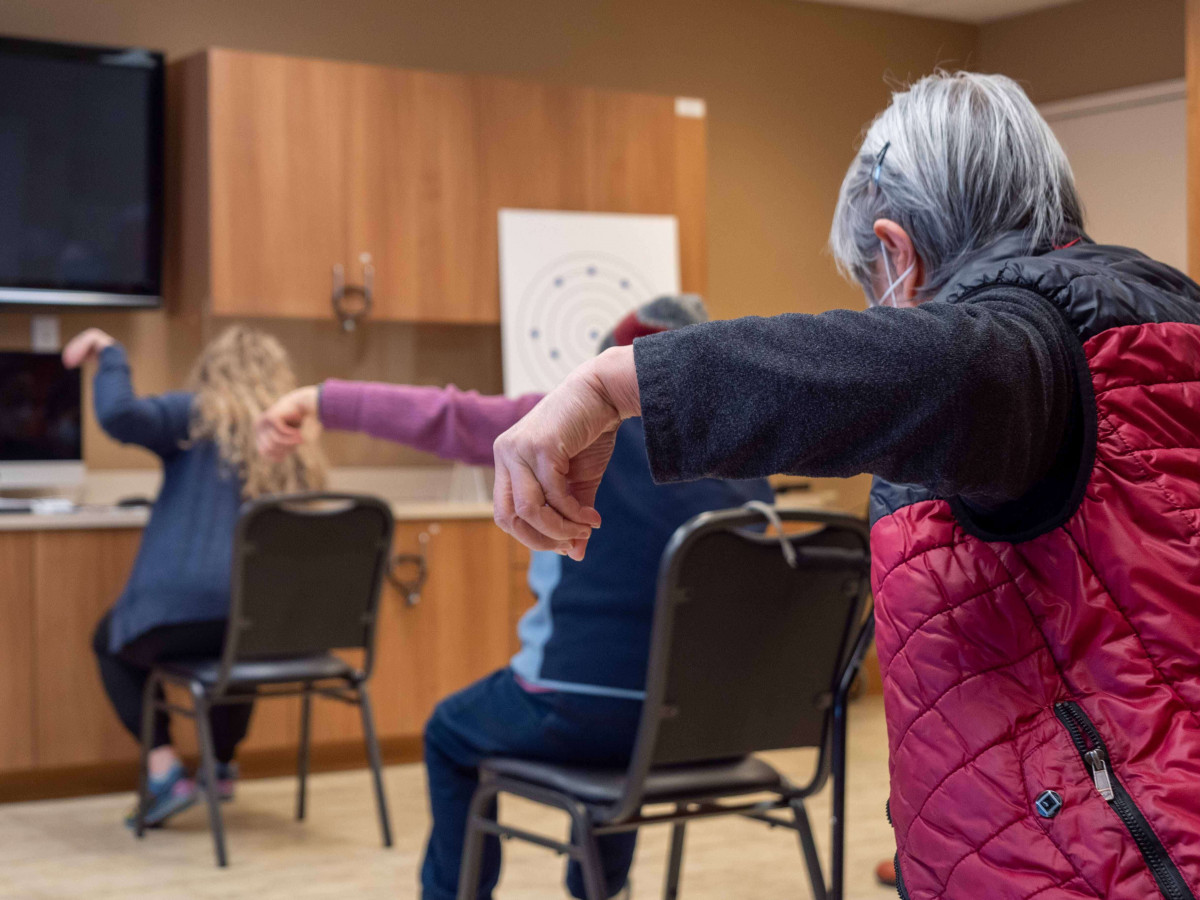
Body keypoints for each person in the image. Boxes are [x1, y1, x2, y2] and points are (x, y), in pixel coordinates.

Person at [489, 71, 1200, 900]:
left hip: (1110, 861)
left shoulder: (1032, 355)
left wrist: (617, 383)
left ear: (899, 253)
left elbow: (938, 366)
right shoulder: (1144, 331)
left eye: (872, 286)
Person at [256, 296, 773, 900]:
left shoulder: (569, 430)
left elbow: (443, 415)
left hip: (577, 711)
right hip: (710, 724)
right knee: (638, 706)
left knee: (450, 732)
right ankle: (600, 889)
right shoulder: (749, 456)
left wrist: (318, 399)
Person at [63, 325, 326, 827]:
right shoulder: (299, 442)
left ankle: (163, 771)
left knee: (111, 640)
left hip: (183, 610)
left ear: (212, 372)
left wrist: (109, 352)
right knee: (236, 640)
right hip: (274, 623)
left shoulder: (196, 416)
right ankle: (220, 766)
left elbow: (119, 414)